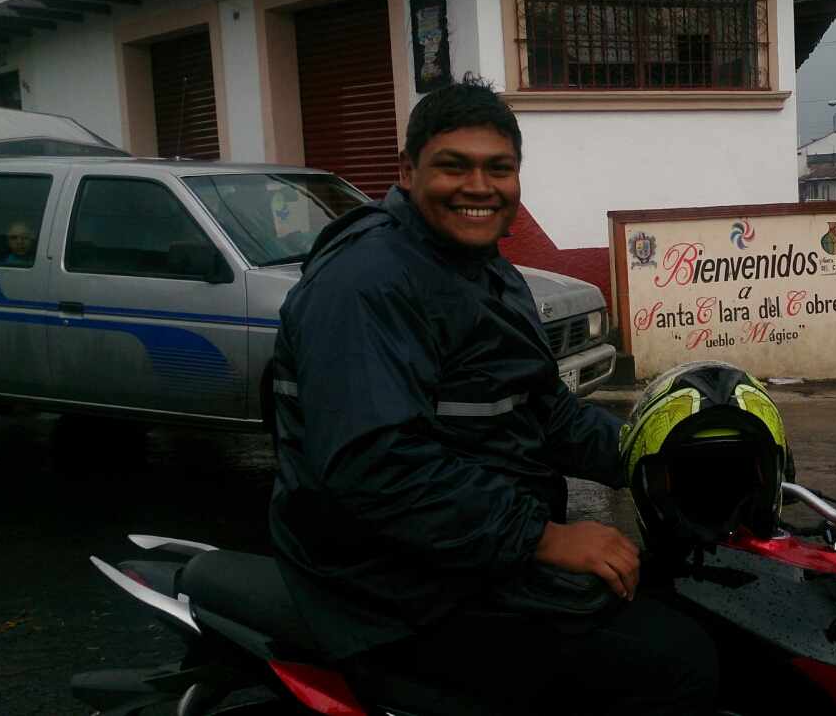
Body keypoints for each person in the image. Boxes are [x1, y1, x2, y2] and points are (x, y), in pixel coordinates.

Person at [269, 76, 717, 715]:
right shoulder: (369, 282)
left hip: (466, 555)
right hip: (390, 588)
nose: (479, 186)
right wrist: (541, 538)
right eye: (454, 166)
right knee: (682, 663)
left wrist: (659, 455)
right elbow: (375, 466)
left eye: (498, 169)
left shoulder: (480, 267)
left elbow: (544, 411)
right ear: (408, 171)